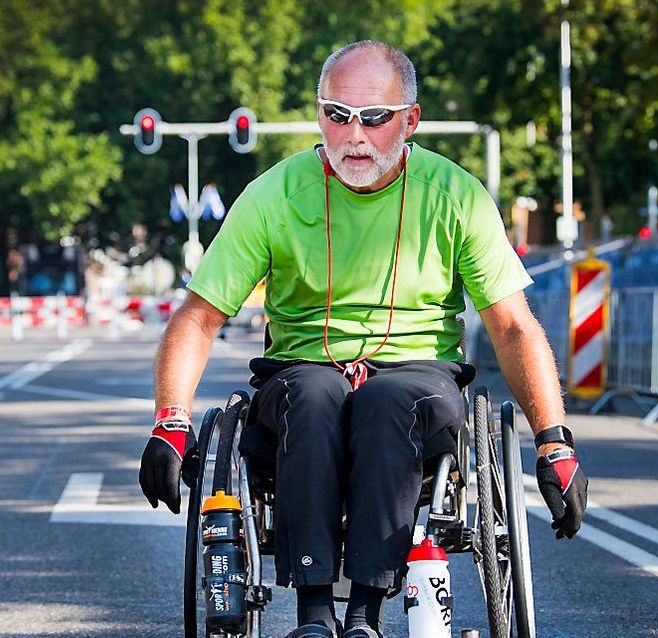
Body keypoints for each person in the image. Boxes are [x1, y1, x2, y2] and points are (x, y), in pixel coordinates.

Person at [139, 41, 588, 638]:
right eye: (336, 114)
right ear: (319, 114)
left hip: (418, 370)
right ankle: (315, 616)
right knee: (319, 396)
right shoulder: (274, 195)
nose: (354, 135)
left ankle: (364, 617)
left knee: (385, 401)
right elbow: (197, 317)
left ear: (410, 120)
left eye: (374, 117)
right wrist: (170, 423)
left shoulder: (455, 196)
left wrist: (554, 444)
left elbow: (512, 326)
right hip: (300, 370)